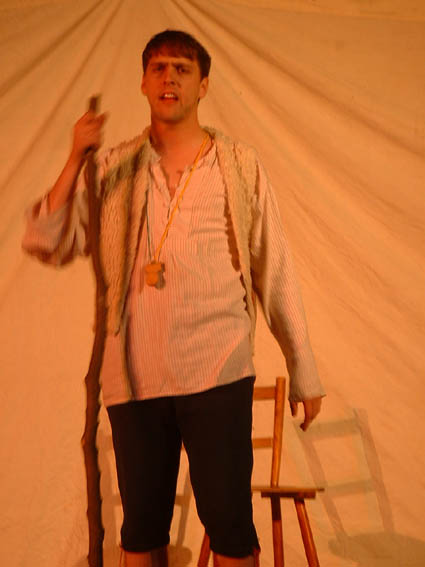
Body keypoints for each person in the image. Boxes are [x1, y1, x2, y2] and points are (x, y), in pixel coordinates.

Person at [23, 30, 325, 567]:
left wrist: (302, 368)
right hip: (134, 377)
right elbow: (46, 241)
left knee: (230, 526)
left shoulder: (239, 165)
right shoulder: (113, 167)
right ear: (143, 82)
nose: (169, 78)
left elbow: (274, 266)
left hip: (218, 370)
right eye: (159, 67)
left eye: (183, 69)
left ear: (203, 85)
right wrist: (74, 158)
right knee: (141, 530)